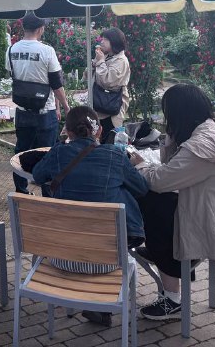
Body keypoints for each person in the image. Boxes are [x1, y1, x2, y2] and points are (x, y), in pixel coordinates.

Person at [130, 84, 215, 321]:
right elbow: (173, 168)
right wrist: (171, 138)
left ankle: (173, 299)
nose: (166, 118)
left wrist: (140, 165)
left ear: (178, 113)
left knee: (154, 204)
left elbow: (161, 180)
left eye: (168, 113)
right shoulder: (209, 129)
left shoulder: (201, 145)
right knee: (161, 205)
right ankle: (166, 255)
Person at [32, 106, 148, 325]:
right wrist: (136, 165)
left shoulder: (58, 152)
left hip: (62, 257)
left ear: (68, 131)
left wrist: (60, 146)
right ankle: (101, 304)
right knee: (119, 193)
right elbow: (141, 188)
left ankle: (95, 306)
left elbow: (38, 175)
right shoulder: (115, 155)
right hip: (109, 261)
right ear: (99, 130)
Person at [7, 12, 70, 194]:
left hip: (22, 111)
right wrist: (65, 106)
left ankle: (21, 191)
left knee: (21, 151)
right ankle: (47, 195)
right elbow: (56, 84)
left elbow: (13, 74)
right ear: (40, 29)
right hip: (45, 112)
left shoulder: (11, 50)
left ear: (23, 27)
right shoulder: (47, 51)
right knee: (47, 154)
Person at [91, 27, 131, 144]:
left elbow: (108, 81)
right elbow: (88, 76)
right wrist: (95, 62)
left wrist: (100, 62)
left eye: (105, 39)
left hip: (111, 107)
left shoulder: (121, 61)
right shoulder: (108, 56)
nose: (102, 42)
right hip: (101, 106)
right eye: (102, 39)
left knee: (109, 141)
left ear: (114, 42)